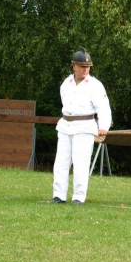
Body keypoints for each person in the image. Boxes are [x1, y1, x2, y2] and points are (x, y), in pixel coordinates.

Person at [51, 47, 112, 205]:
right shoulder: (66, 83)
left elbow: (103, 107)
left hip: (84, 127)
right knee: (61, 163)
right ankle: (59, 195)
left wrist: (103, 126)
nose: (86, 69)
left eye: (88, 67)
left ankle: (78, 197)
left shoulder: (95, 85)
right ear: (74, 66)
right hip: (65, 126)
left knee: (81, 164)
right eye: (82, 66)